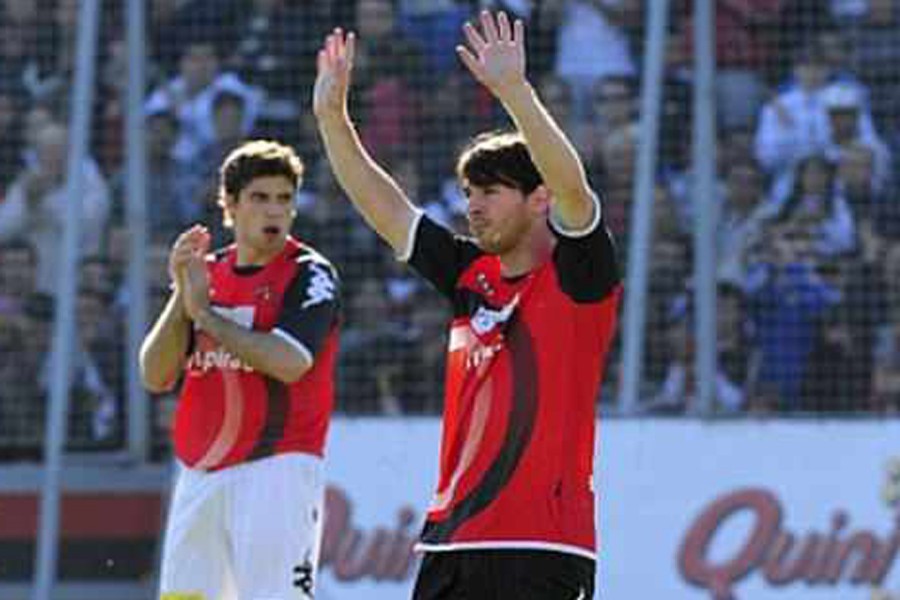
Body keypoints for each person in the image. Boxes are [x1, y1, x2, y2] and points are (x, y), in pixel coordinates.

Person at [313, 11, 620, 599]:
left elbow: (576, 192)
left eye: (490, 192)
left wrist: (514, 93)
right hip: (450, 541)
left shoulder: (579, 277)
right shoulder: (468, 275)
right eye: (468, 193)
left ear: (538, 199)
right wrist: (333, 121)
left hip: (542, 545)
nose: (473, 207)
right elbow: (389, 210)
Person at [139, 140, 341, 599]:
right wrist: (180, 297)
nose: (274, 211)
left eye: (284, 199)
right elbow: (155, 375)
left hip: (277, 470)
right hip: (200, 473)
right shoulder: (207, 274)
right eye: (260, 198)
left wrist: (208, 317)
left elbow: (289, 363)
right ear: (229, 205)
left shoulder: (309, 273)